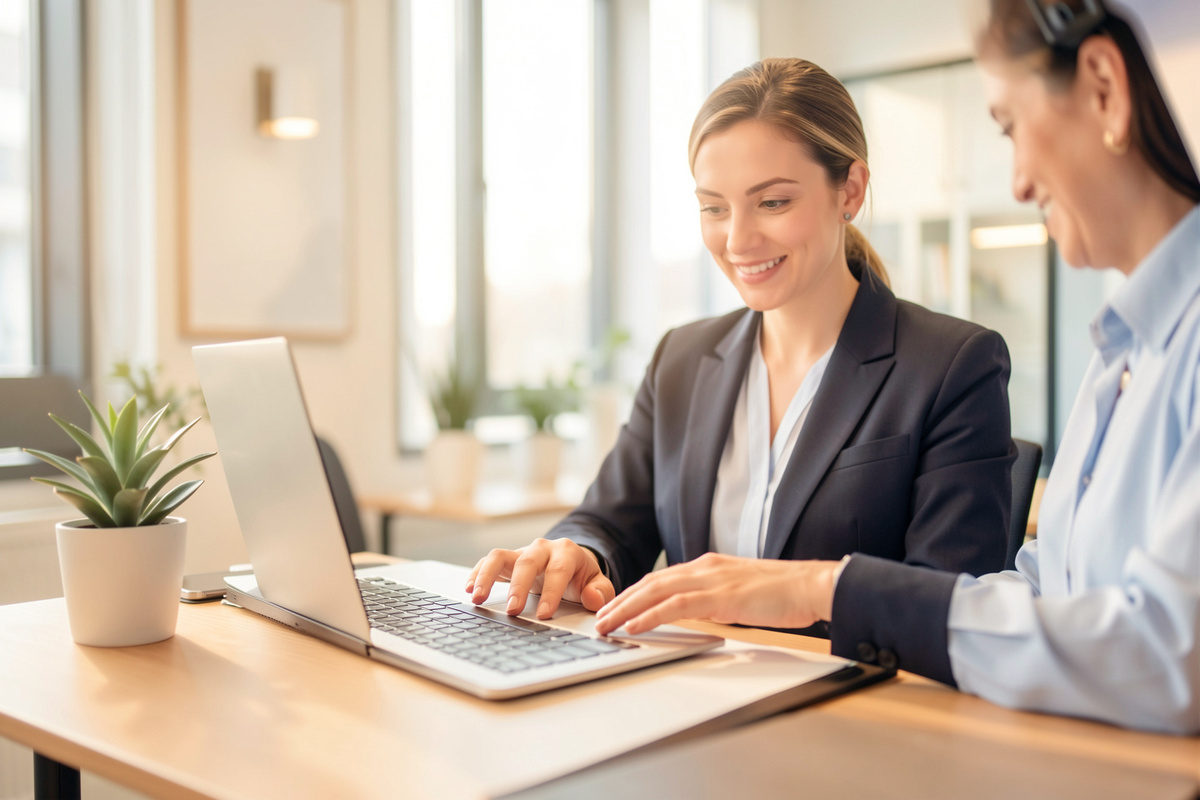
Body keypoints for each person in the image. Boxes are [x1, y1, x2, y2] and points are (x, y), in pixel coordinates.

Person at [594, 0, 1200, 735]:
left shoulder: (960, 363)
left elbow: (1170, 652)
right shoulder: (1122, 351)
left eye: (1008, 126)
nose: (1014, 182)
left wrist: (827, 589)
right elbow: (1042, 591)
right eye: (713, 207)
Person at [468, 58, 1015, 637]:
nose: (736, 240)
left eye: (773, 202)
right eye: (714, 207)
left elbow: (953, 607)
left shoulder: (952, 366)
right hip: (691, 697)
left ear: (849, 191)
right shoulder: (682, 359)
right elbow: (608, 520)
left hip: (853, 710)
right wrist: (579, 554)